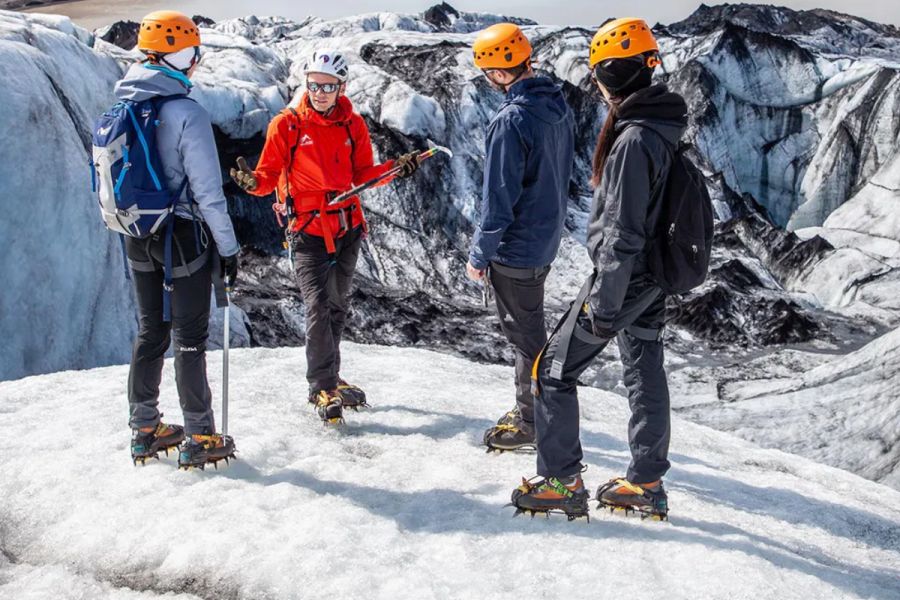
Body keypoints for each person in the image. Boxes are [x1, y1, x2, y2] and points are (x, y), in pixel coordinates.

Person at [511, 18, 687, 520]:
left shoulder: (633, 140)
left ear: (607, 77)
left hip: (625, 280)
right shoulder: (662, 124)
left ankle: (563, 483)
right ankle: (647, 483)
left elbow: (622, 231)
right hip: (653, 279)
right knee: (643, 370)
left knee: (553, 370)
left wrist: (604, 304)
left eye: (597, 76)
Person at [230, 49, 419, 424]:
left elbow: (363, 173)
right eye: (314, 85)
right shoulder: (287, 125)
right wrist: (252, 183)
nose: (320, 93)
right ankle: (320, 385)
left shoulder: (353, 126)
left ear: (341, 87)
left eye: (328, 86)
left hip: (347, 226)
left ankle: (330, 375)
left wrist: (395, 169)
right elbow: (267, 177)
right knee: (317, 305)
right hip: (307, 230)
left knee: (337, 304)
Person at [119, 11, 240, 469]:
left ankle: (144, 429)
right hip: (184, 238)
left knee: (152, 330)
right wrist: (228, 250)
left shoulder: (124, 106)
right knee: (190, 337)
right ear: (182, 55)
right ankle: (200, 435)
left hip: (136, 234)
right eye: (193, 53)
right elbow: (209, 195)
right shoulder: (186, 112)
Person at [468, 23, 575, 452]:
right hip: (545, 239)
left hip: (516, 248)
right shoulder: (556, 104)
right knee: (528, 330)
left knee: (525, 336)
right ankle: (532, 411)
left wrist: (480, 255)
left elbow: (498, 200)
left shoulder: (511, 120)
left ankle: (533, 422)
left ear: (497, 72)